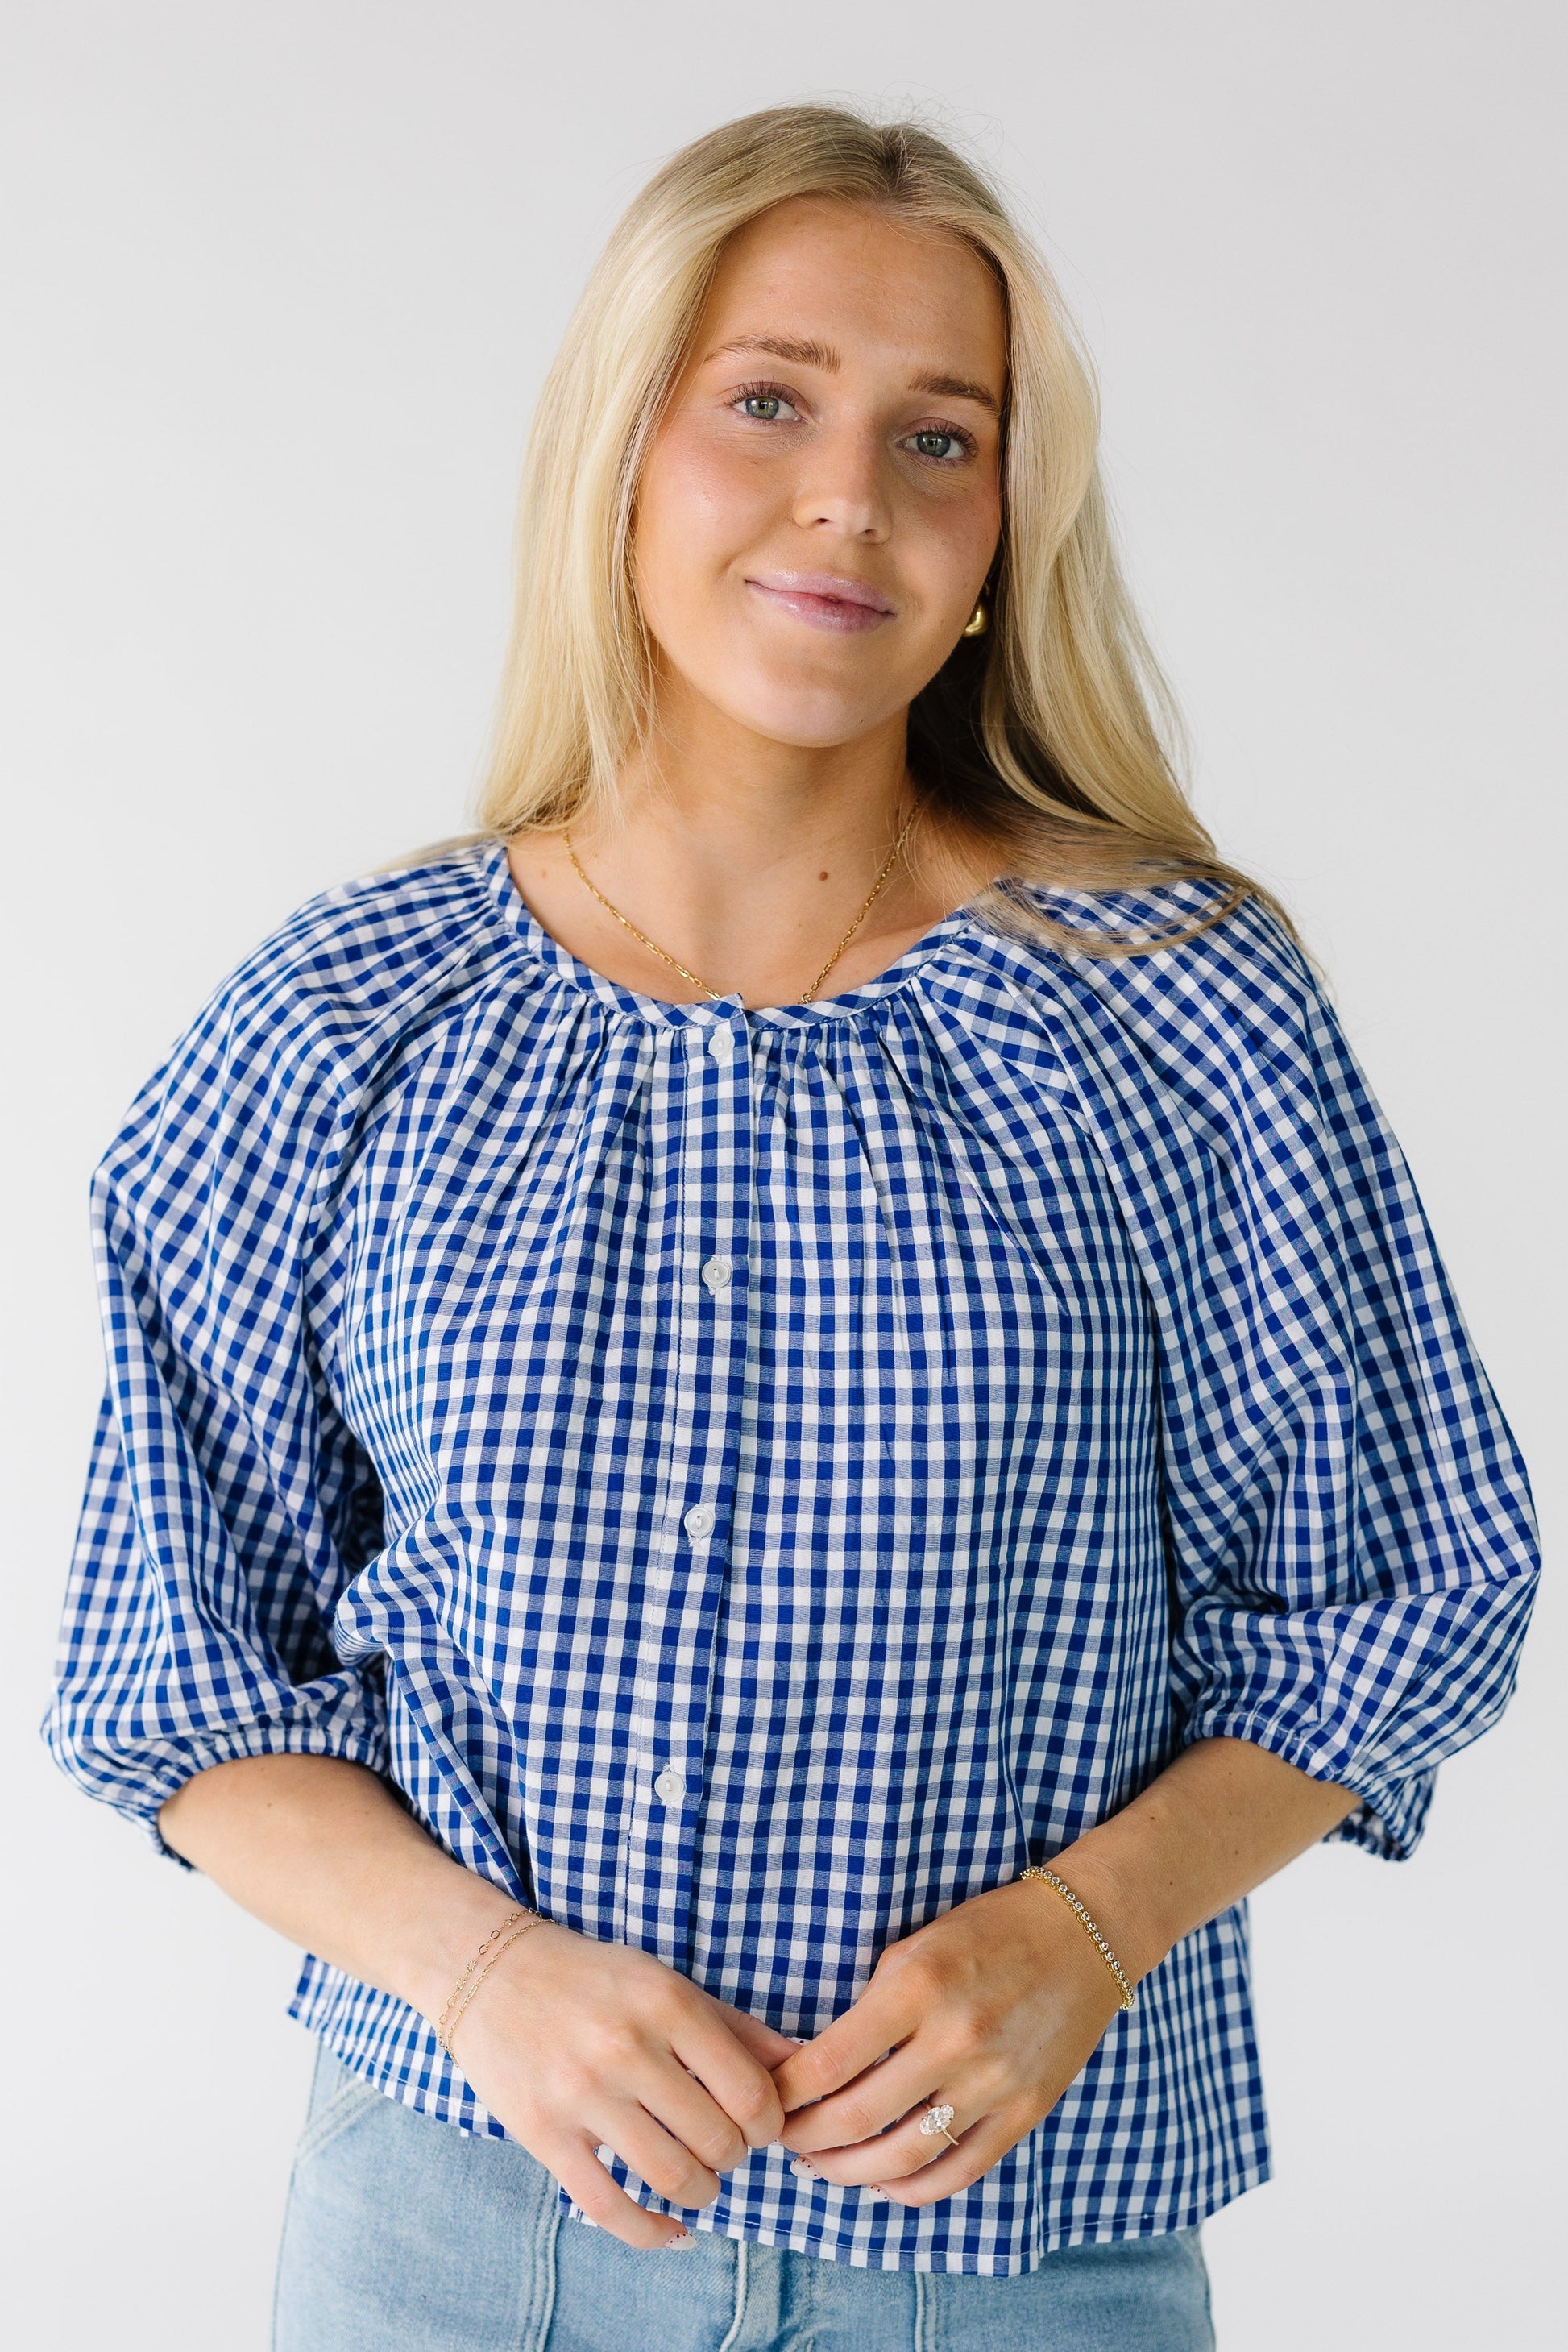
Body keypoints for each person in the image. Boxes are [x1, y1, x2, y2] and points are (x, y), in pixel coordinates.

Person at [44, 104, 1538, 2352]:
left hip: (1019, 2256)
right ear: (619, 448)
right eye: (768, 401)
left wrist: (1085, 1936)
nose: (853, 495)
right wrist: (481, 1974)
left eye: (942, 439)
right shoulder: (345, 1026)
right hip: (459, 2252)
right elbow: (169, 1671)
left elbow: (1408, 1594)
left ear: (998, 536)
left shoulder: (1172, 1010)